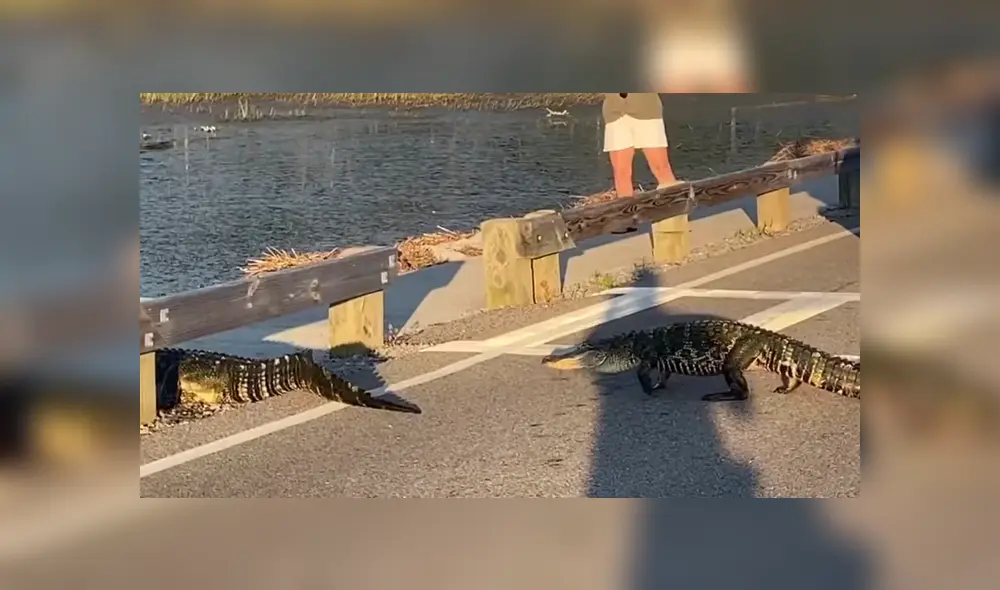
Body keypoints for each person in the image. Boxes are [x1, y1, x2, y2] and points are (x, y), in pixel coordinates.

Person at [602, 93, 683, 233]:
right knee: (621, 171)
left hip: (646, 110)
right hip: (614, 112)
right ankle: (626, 218)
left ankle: (674, 215)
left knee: (660, 167)